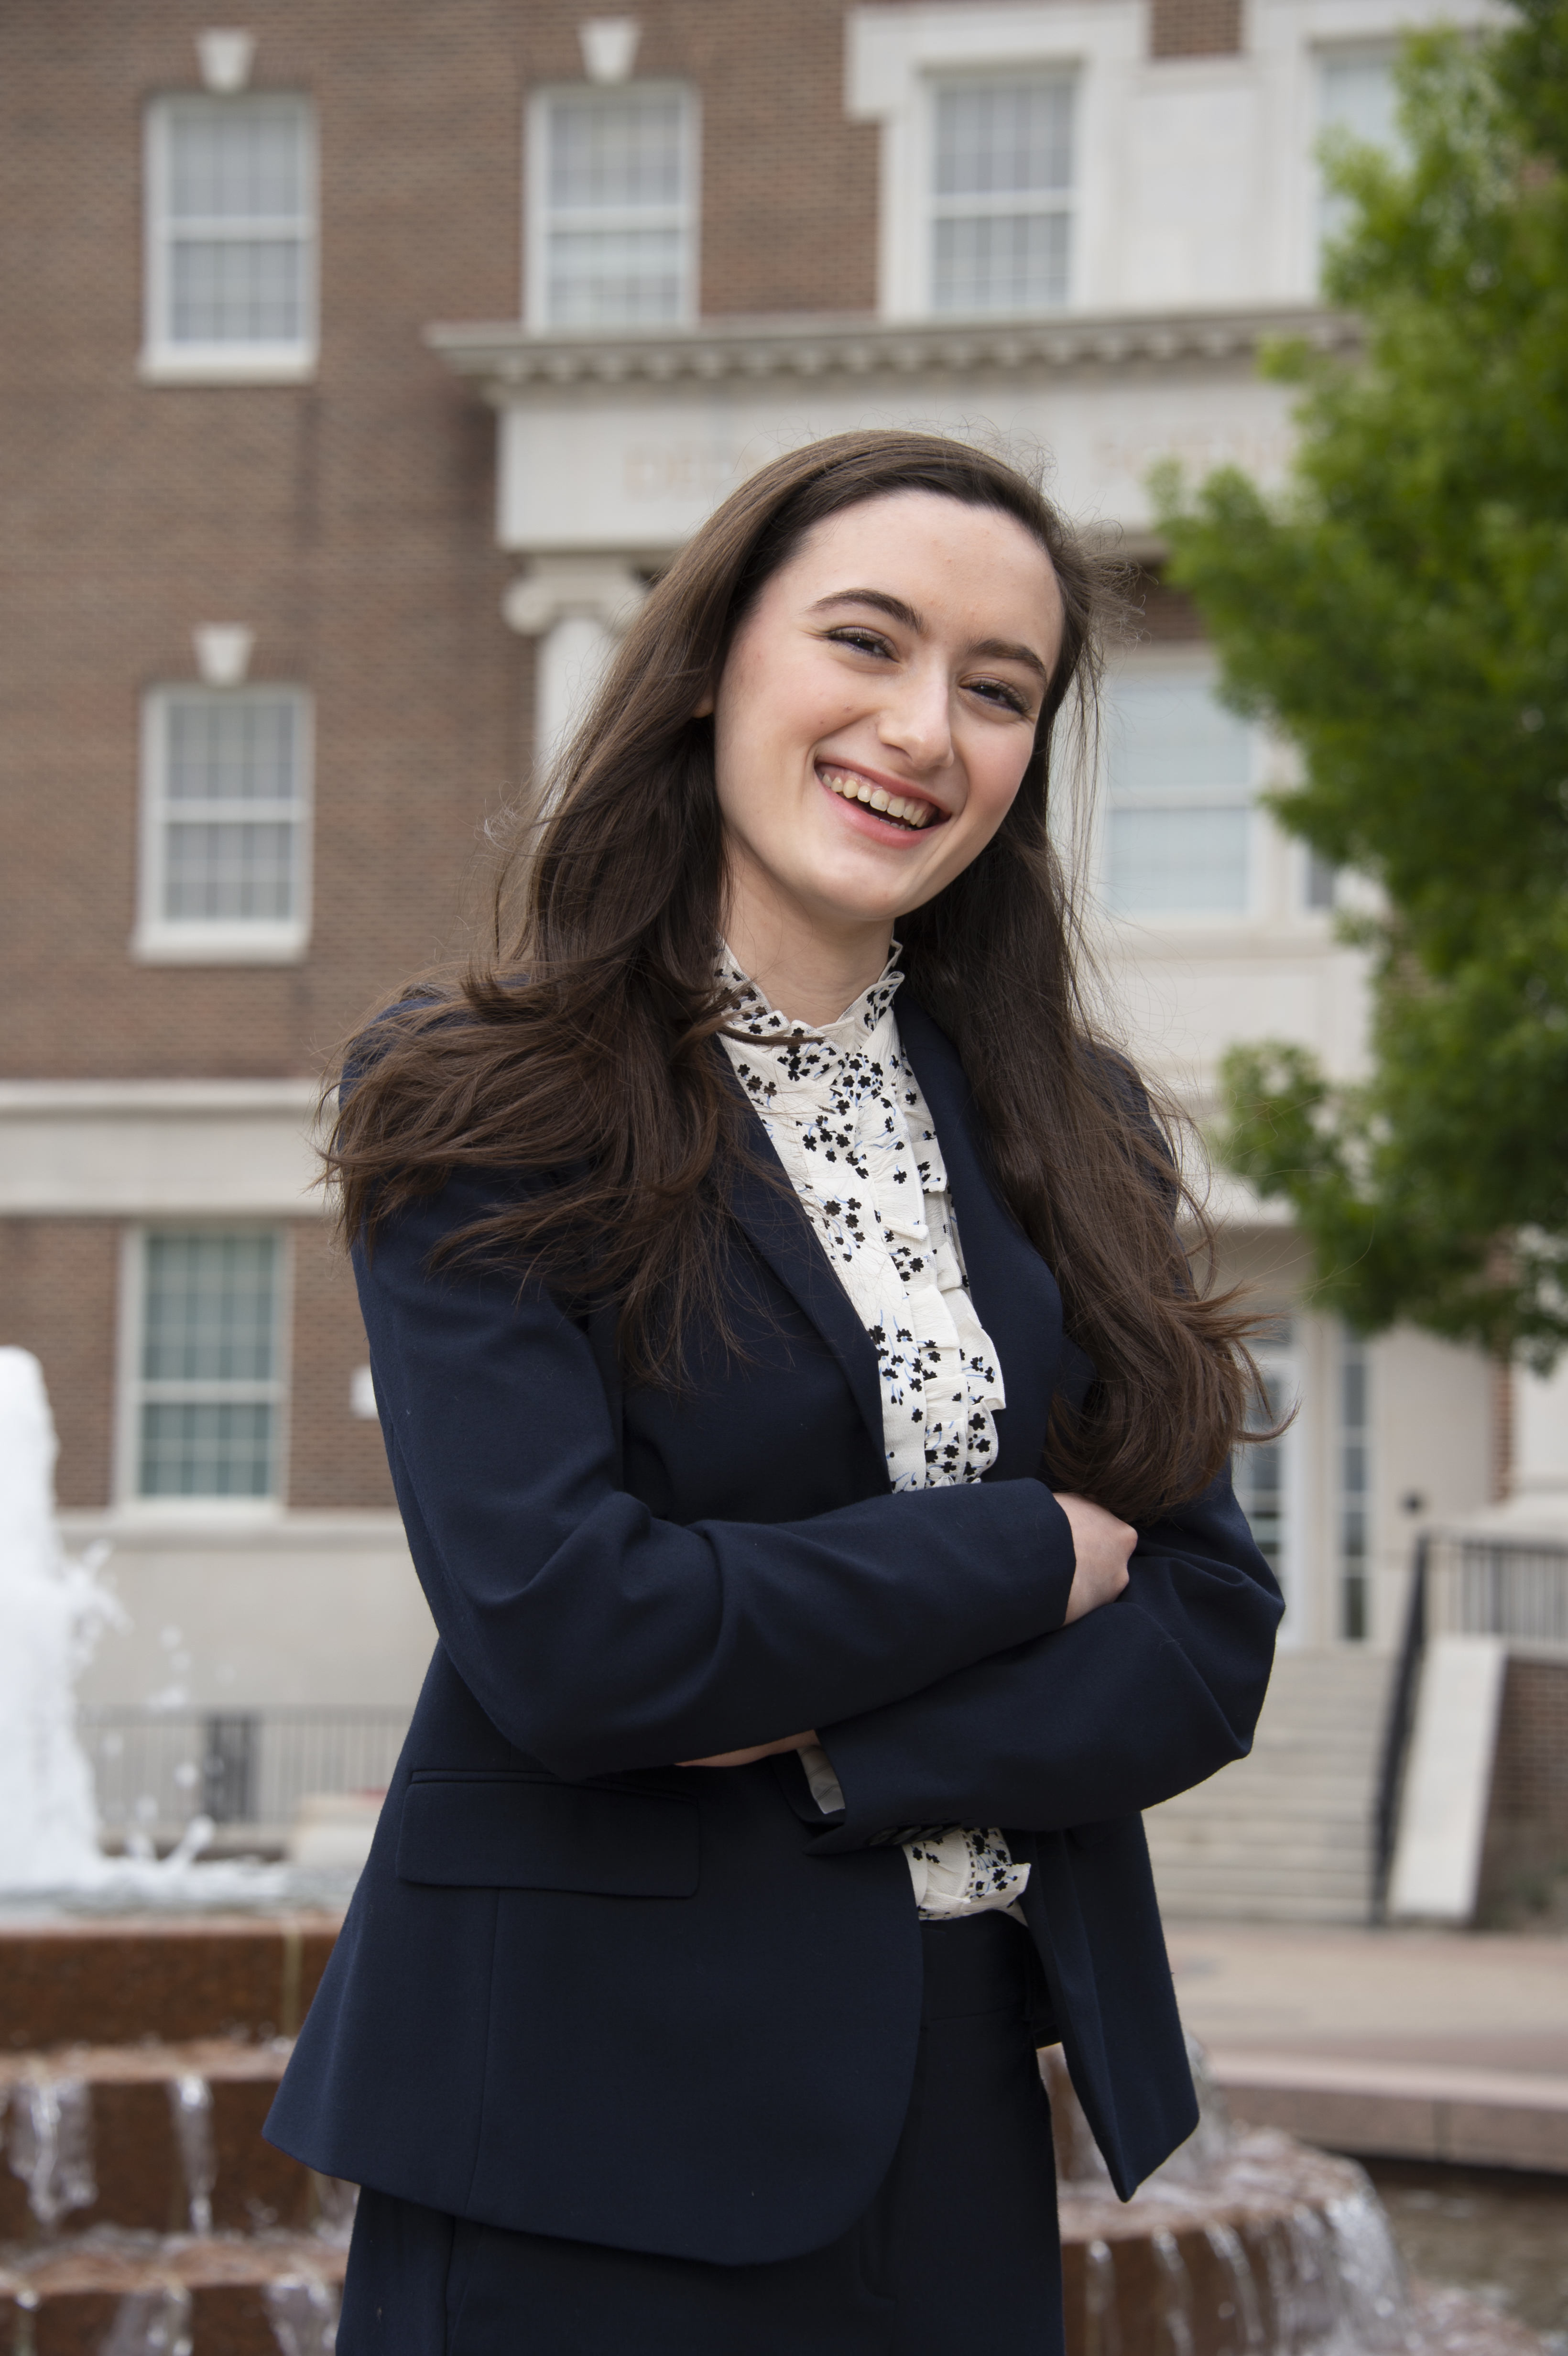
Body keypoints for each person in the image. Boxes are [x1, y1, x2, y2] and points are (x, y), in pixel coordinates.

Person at [266, 429, 1282, 2354]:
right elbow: (573, 1636)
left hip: (957, 2094)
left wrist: (834, 1754)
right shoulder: (478, 1092)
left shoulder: (1081, 1124)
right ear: (721, 658)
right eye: (866, 643)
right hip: (572, 2121)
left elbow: (1208, 1628)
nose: (925, 728)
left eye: (997, 690)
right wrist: (1019, 1547)